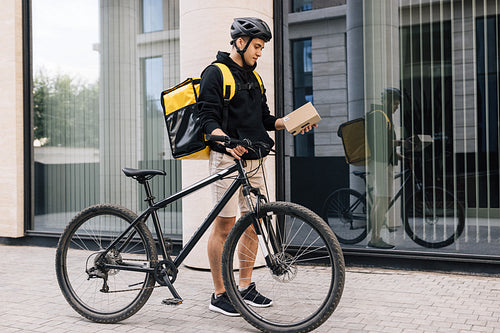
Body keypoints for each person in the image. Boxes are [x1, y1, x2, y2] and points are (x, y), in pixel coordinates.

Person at [198, 17, 315, 316]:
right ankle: (219, 294)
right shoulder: (216, 74)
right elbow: (208, 119)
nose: (260, 53)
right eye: (257, 47)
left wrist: (289, 123)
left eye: (262, 48)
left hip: (254, 159)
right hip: (227, 158)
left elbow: (264, 120)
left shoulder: (256, 78)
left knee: (254, 223)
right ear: (240, 42)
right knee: (224, 227)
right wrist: (226, 141)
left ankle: (245, 286)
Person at [365, 87, 401, 249]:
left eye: (398, 105)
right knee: (382, 200)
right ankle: (375, 238)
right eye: (394, 103)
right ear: (386, 101)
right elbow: (379, 143)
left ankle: (375, 236)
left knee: (380, 200)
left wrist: (400, 156)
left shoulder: (384, 116)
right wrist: (401, 143)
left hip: (383, 162)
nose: (396, 107)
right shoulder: (380, 117)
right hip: (380, 164)